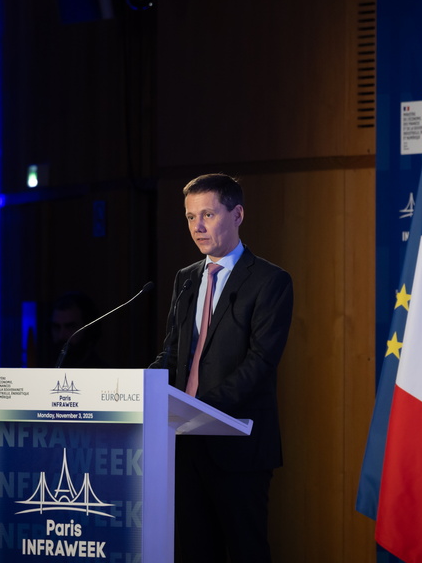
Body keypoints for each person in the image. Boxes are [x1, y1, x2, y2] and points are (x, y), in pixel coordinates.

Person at [151, 173, 294, 563]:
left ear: (237, 215)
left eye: (208, 214)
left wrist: (200, 410)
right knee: (196, 553)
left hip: (239, 448)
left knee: (247, 552)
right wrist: (141, 388)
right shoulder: (186, 280)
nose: (197, 227)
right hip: (186, 446)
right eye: (190, 217)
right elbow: (173, 356)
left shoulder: (270, 282)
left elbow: (260, 364)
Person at [39, 291, 107, 368]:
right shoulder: (43, 370)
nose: (61, 335)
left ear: (88, 330)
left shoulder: (103, 372)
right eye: (56, 327)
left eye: (70, 327)